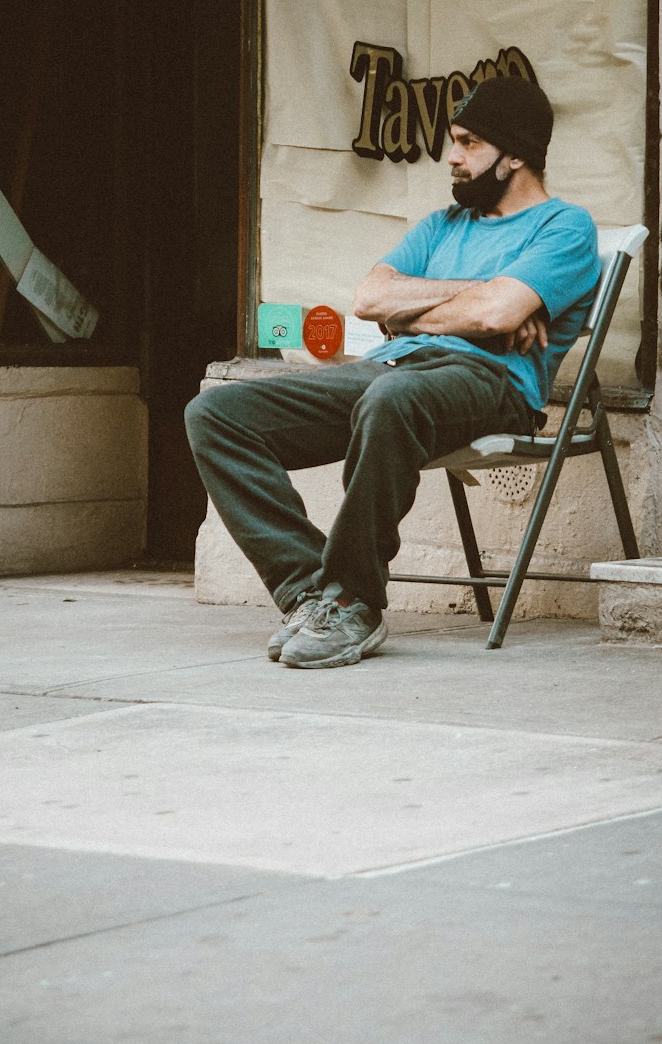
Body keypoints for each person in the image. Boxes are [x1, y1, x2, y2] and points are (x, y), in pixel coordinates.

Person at [184, 76, 600, 670]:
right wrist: (472, 301)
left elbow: (497, 314)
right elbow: (371, 298)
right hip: (389, 368)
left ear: (516, 155)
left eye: (468, 142)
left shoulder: (564, 227)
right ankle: (310, 592)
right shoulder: (441, 225)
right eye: (452, 141)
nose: (452, 157)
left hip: (491, 383)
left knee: (393, 399)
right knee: (217, 413)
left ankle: (354, 598)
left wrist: (438, 313)